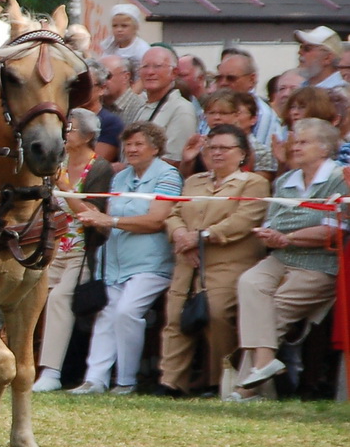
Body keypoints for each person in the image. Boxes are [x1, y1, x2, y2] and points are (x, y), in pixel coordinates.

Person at [226, 118, 347, 401]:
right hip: (281, 255)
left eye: (303, 142)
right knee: (250, 282)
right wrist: (275, 235)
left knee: (272, 312)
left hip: (320, 264)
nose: (295, 147)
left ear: (325, 148)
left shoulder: (341, 178)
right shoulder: (284, 180)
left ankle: (245, 390)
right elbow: (277, 220)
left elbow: (333, 229)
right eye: (294, 141)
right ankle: (264, 367)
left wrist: (289, 236)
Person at [155, 125, 270, 396]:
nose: (216, 153)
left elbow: (244, 219)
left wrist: (203, 237)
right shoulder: (194, 181)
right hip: (188, 263)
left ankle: (220, 380)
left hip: (227, 265)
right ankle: (171, 382)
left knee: (218, 317)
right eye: (212, 147)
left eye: (224, 148)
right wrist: (182, 235)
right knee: (175, 319)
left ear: (242, 153)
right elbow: (174, 214)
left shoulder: (254, 182)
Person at [70, 123, 182, 394]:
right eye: (128, 144)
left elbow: (156, 220)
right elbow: (104, 219)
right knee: (107, 314)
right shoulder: (119, 178)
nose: (131, 149)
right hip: (114, 265)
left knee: (127, 312)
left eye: (138, 144)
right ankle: (94, 380)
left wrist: (111, 220)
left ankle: (126, 381)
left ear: (156, 148)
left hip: (151, 264)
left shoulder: (168, 175)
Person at [32, 109, 115, 392]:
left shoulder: (100, 167)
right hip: (53, 247)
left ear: (89, 136)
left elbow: (94, 215)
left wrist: (66, 188)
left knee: (59, 298)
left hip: (82, 252)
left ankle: (51, 373)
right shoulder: (58, 161)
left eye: (71, 129)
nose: (65, 133)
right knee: (30, 295)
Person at [126, 48, 195, 165]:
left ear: (174, 73)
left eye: (157, 66)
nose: (150, 72)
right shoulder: (140, 104)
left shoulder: (181, 109)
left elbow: (174, 161)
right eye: (145, 67)